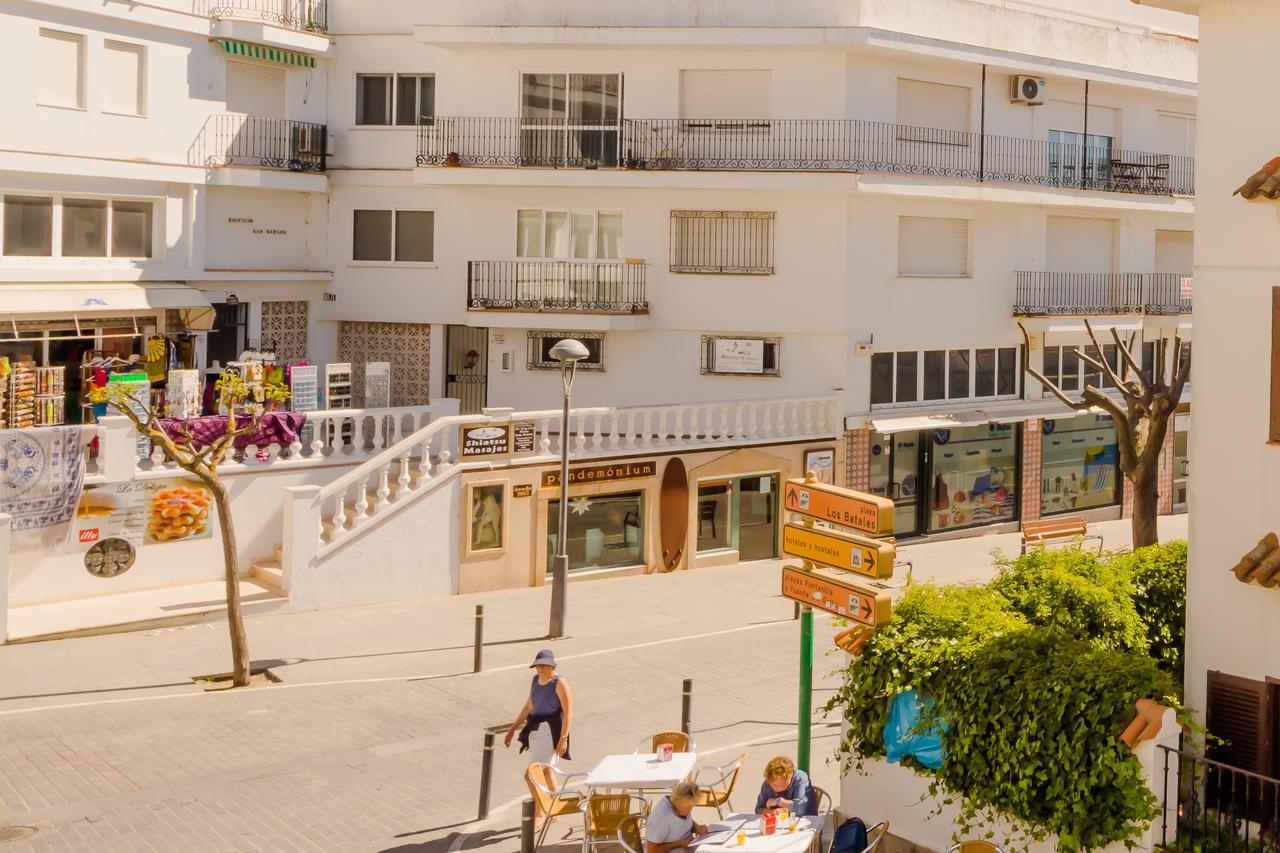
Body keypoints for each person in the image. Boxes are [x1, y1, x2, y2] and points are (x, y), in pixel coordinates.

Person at [504, 649, 572, 765]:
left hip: (550, 733)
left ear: (553, 666)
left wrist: (563, 738)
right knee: (546, 772)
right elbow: (528, 707)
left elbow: (567, 713)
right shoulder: (535, 680)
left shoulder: (560, 683)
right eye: (538, 666)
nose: (540, 669)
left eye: (545, 665)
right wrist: (512, 730)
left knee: (531, 773)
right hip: (536, 731)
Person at [646, 782, 707, 853]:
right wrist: (679, 844)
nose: (690, 810)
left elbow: (685, 822)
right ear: (677, 802)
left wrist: (697, 828)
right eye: (688, 807)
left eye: (692, 806)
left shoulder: (680, 806)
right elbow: (651, 850)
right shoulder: (661, 817)